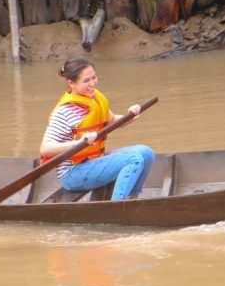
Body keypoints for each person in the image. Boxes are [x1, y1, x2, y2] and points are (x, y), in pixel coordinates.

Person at [39, 58, 154, 201]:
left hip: (93, 162)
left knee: (146, 153)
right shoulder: (65, 111)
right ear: (71, 83)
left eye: (94, 78)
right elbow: (45, 148)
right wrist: (79, 143)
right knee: (134, 159)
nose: (92, 83)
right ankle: (117, 207)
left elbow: (112, 122)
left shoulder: (95, 99)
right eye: (86, 81)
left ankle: (132, 198)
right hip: (72, 173)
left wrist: (131, 115)